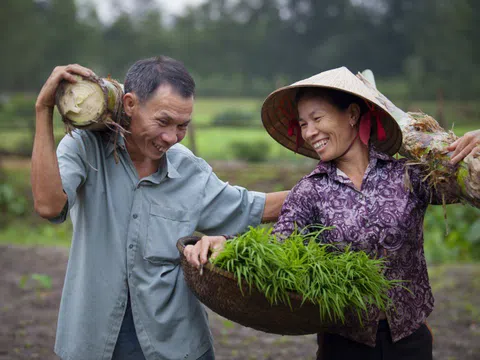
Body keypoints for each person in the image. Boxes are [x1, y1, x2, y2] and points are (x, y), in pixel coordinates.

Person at [185, 67, 480, 360]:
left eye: (317, 118)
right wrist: (228, 245)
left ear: (352, 114)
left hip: (410, 340)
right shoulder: (310, 191)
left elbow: (469, 187)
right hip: (344, 344)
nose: (310, 132)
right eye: (302, 124)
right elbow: (276, 251)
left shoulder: (406, 175)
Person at [31, 56, 288, 360]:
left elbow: (253, 207)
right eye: (163, 121)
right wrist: (44, 109)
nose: (171, 137)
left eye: (182, 126)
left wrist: (326, 189)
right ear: (129, 104)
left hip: (177, 344)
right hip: (95, 339)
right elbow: (49, 205)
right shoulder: (85, 148)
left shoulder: (189, 170)